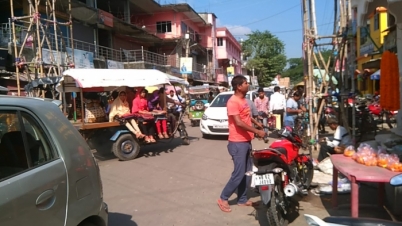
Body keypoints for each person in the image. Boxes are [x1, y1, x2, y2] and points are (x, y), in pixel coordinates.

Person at [217, 75, 266, 213]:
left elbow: (246, 116)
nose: (248, 84)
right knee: (239, 173)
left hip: (246, 141)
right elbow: (238, 122)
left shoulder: (243, 100)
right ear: (239, 86)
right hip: (237, 142)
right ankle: (223, 198)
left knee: (247, 172)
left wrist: (257, 124)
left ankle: (242, 199)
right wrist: (256, 131)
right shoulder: (232, 102)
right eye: (245, 83)